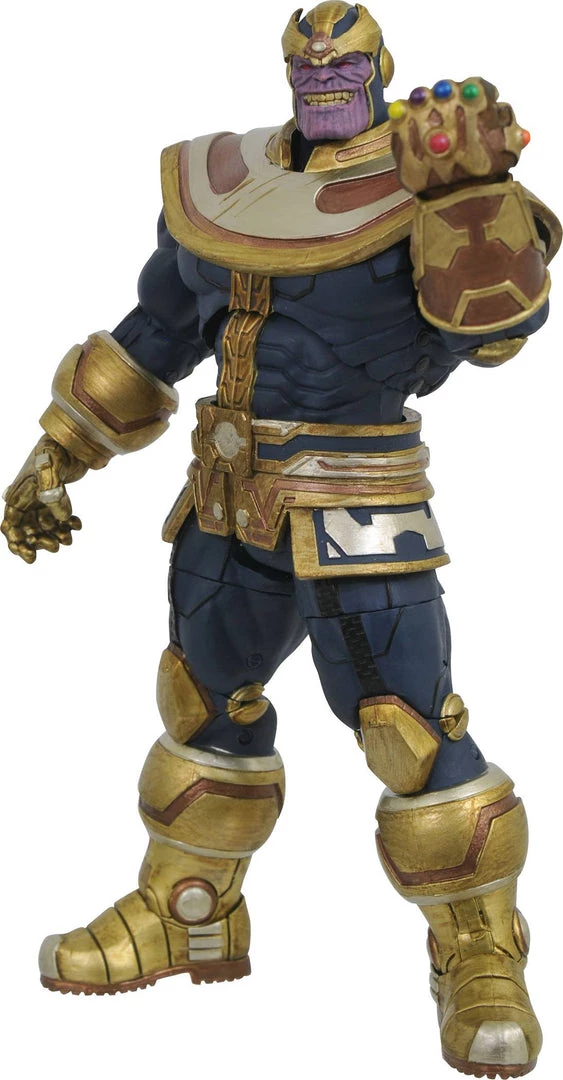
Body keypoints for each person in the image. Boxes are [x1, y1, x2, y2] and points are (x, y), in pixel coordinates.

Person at [2, 4, 559, 1076]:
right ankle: (191, 908)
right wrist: (60, 450)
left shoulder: (423, 180)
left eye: (343, 66)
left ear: (378, 69)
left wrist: (471, 198)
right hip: (225, 496)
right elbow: (157, 332)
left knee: (406, 730)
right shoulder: (219, 182)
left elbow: (495, 329)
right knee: (202, 705)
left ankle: (479, 949)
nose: (322, 78)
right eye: (307, 65)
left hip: (359, 506)